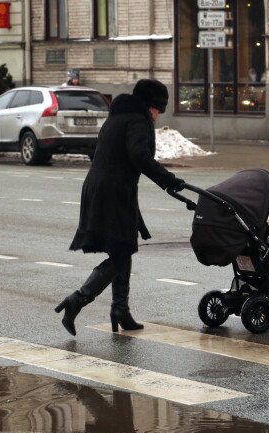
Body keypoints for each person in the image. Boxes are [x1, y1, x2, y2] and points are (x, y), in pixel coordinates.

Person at [54, 79, 185, 336]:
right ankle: (79, 299)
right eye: (158, 110)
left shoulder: (118, 117)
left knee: (123, 247)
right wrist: (168, 180)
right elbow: (139, 156)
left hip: (102, 188)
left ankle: (120, 310)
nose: (158, 116)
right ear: (151, 106)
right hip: (113, 191)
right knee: (122, 251)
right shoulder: (137, 119)